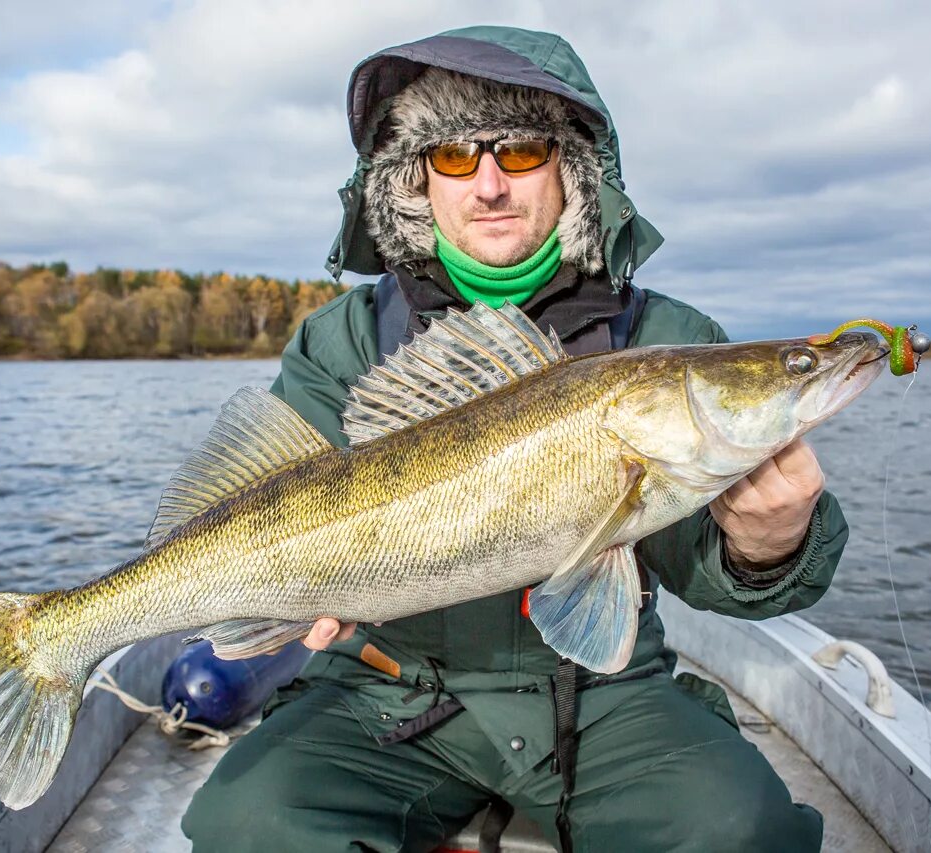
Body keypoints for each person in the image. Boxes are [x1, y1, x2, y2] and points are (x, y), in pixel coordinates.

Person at [182, 26, 846, 852]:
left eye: (522, 151)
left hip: (605, 695)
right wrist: (283, 597)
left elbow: (705, 569)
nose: (489, 183)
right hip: (384, 687)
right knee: (247, 825)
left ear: (571, 171)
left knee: (742, 830)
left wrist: (769, 547)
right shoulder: (344, 339)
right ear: (416, 180)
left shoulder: (665, 341)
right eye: (456, 156)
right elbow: (260, 498)